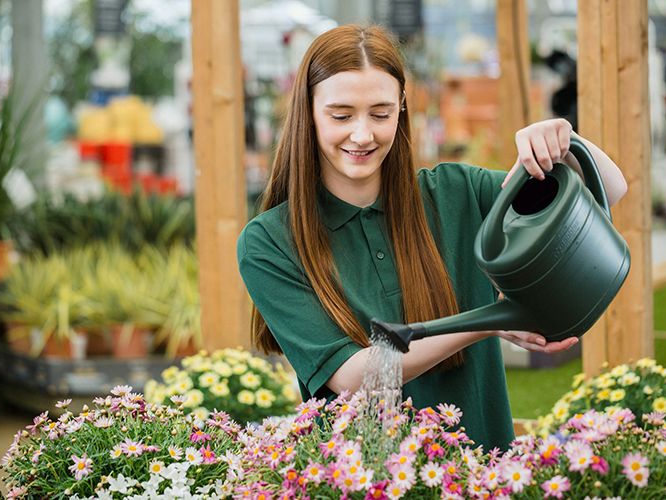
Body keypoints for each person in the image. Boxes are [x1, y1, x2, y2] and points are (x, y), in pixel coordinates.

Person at [237, 24, 627, 451]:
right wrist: (490, 321)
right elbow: (355, 376)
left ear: (402, 107)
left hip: (485, 474)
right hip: (365, 482)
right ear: (308, 111)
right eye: (341, 115)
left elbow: (609, 190)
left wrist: (563, 142)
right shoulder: (270, 242)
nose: (363, 134)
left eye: (381, 113)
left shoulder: (457, 191)